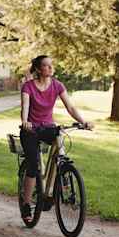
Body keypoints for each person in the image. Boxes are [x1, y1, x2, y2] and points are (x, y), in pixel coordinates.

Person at [20, 55, 92, 218]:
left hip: (47, 128)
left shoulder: (57, 85)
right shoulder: (28, 86)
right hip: (30, 130)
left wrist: (83, 122)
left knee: (60, 152)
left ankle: (50, 191)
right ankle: (26, 204)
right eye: (46, 65)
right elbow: (25, 106)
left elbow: (70, 107)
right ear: (38, 69)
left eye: (51, 65)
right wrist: (25, 121)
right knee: (33, 165)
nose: (51, 68)